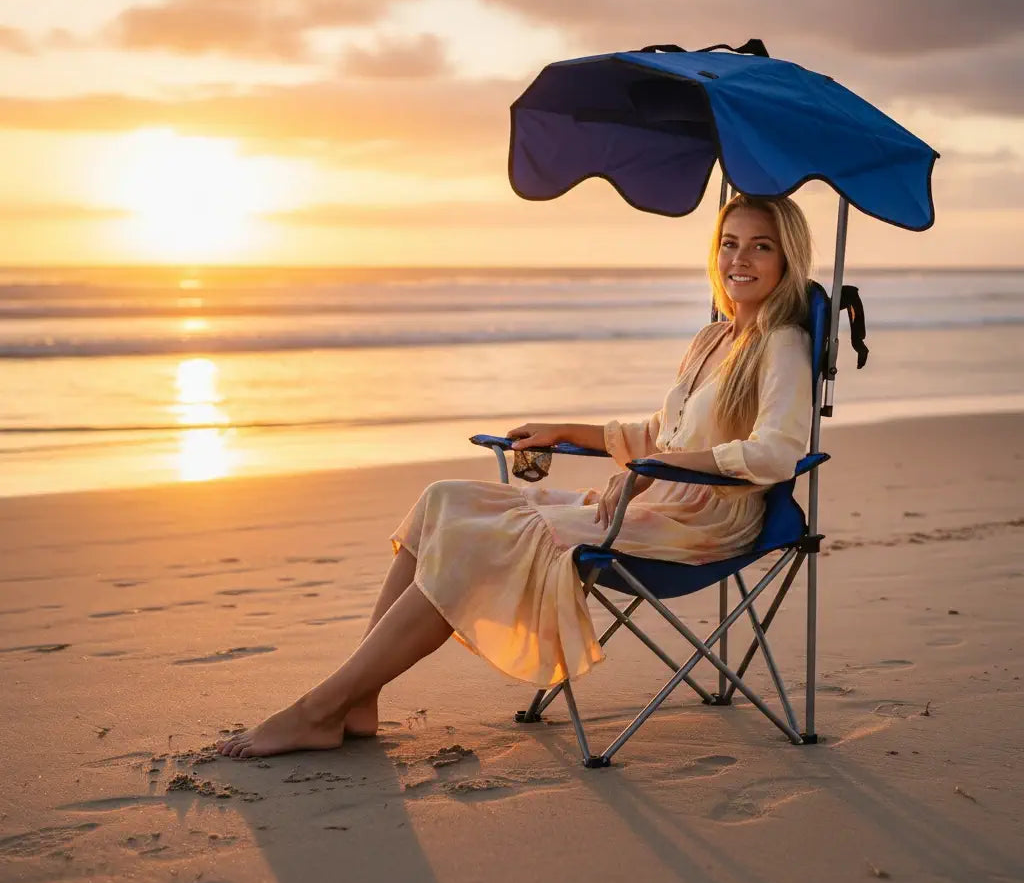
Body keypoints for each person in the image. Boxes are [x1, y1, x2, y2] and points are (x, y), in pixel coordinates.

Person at [217, 193, 814, 759]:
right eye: (729, 243)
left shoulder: (781, 342)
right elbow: (666, 430)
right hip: (656, 499)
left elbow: (775, 454)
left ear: (787, 257)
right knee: (442, 500)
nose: (739, 259)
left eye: (760, 246)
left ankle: (321, 705)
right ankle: (359, 697)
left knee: (487, 535)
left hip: (703, 521)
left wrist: (646, 473)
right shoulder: (715, 337)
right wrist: (565, 430)